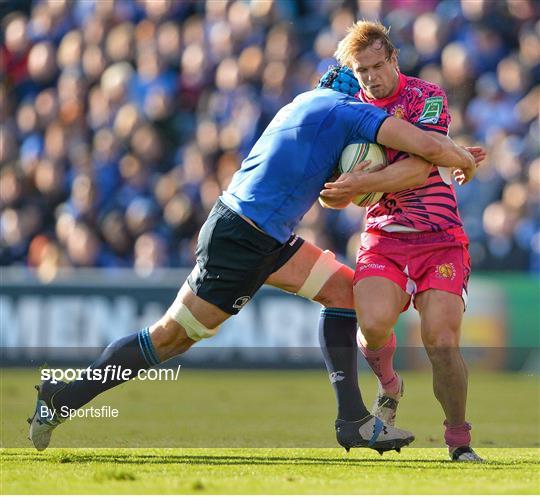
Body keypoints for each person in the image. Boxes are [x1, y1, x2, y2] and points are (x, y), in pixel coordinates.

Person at [28, 77, 480, 454]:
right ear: (350, 89)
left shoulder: (300, 104)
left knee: (345, 292)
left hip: (265, 233)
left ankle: (352, 420)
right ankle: (61, 397)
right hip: (241, 238)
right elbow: (421, 144)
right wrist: (460, 155)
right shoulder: (346, 111)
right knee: (172, 338)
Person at [319, 21, 484, 462]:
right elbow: (334, 198)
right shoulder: (349, 110)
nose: (371, 77)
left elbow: (421, 162)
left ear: (393, 58)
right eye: (361, 70)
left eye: (377, 65)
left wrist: (358, 182)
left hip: (440, 237)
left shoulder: (424, 96)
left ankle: (458, 440)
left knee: (442, 341)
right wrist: (345, 189)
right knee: (371, 325)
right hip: (383, 237)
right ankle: (390, 385)